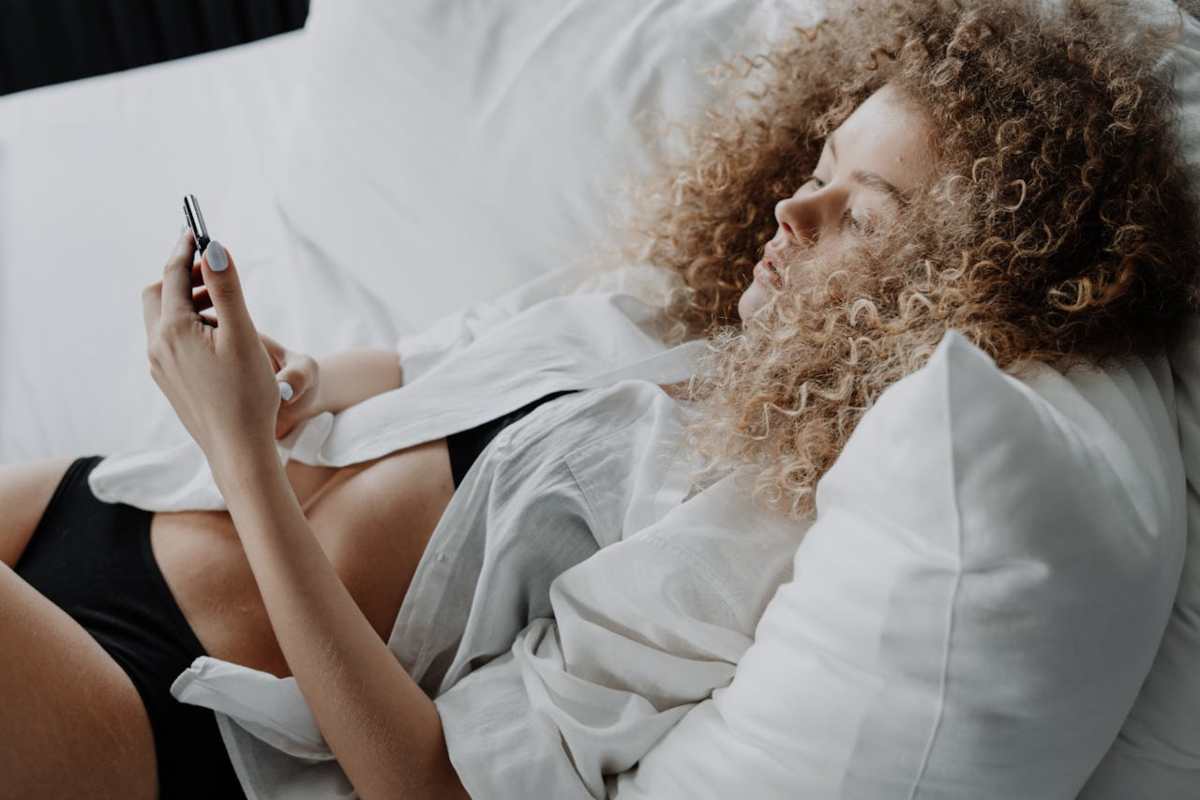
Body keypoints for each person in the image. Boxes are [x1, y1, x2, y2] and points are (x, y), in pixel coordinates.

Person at [2, 0, 1198, 797]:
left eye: (862, 215)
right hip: (116, 505)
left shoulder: (735, 532)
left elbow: (431, 782)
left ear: (956, 285)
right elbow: (429, 365)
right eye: (821, 166)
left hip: (168, 696)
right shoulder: (666, 312)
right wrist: (284, 382)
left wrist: (245, 460)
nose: (795, 210)